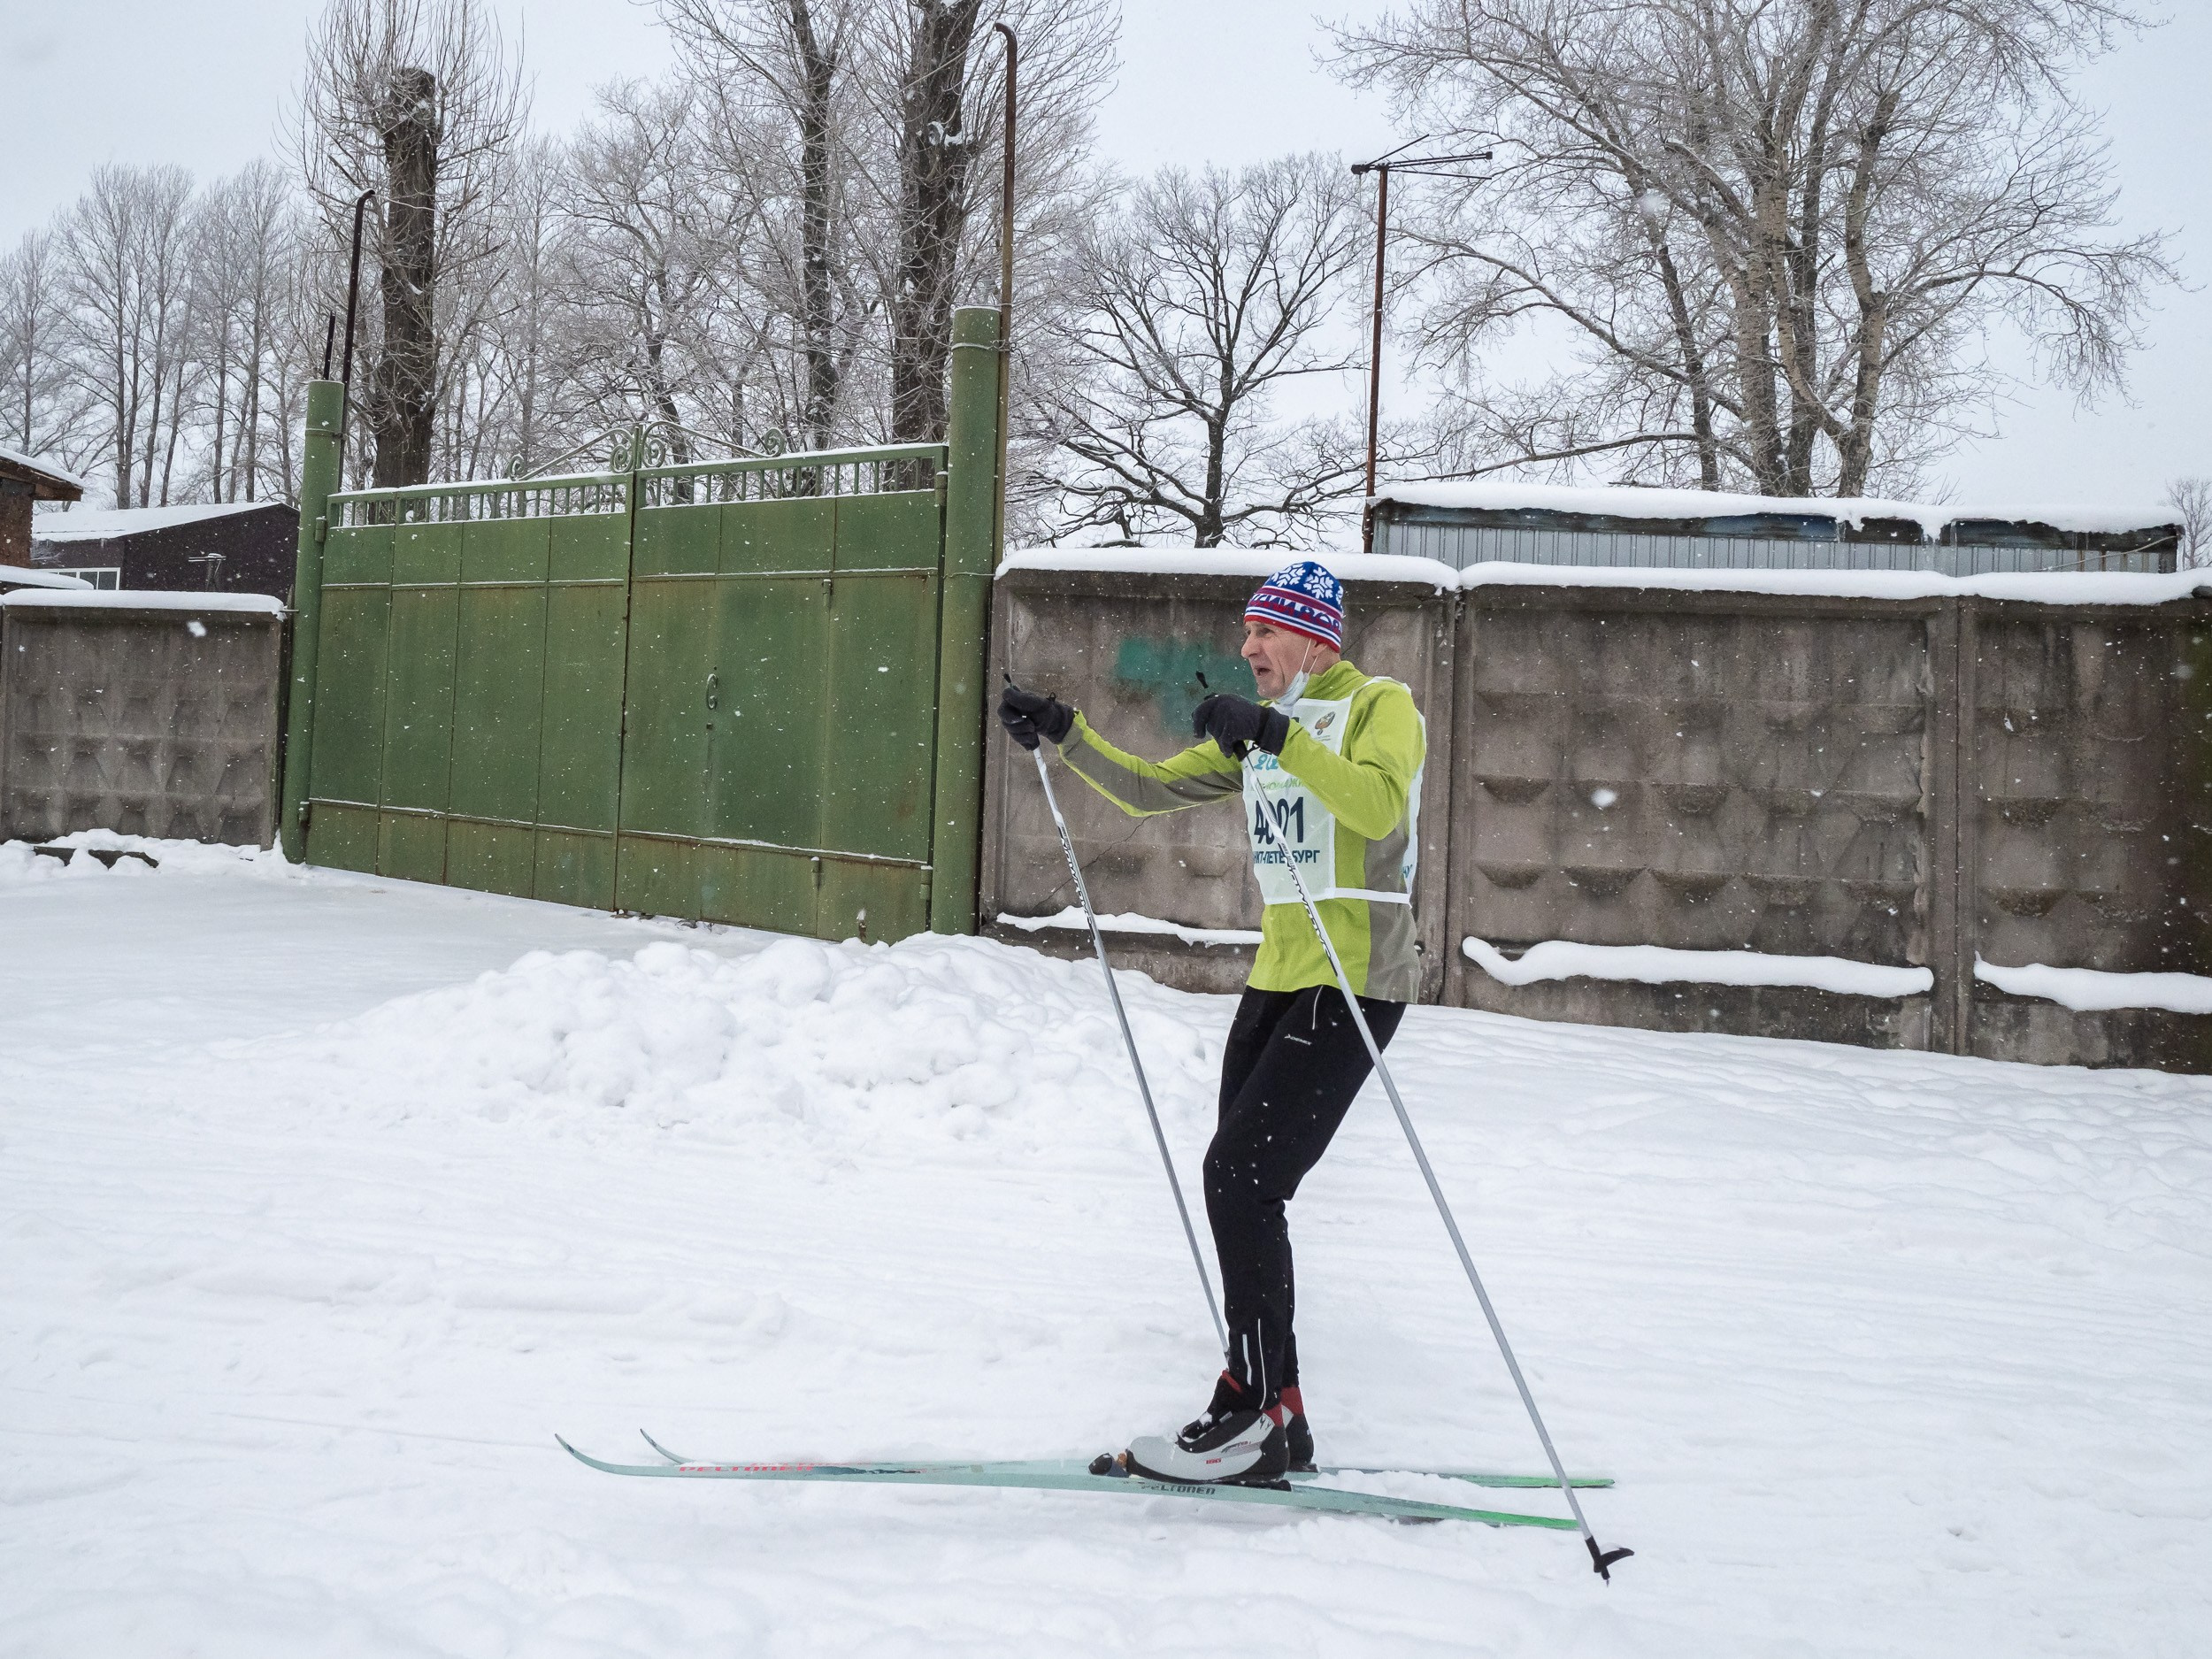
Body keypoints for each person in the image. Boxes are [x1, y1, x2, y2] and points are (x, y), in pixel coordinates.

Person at [998, 559, 1426, 1486]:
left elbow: (1376, 803)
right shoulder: (1257, 729)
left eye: (1263, 633)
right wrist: (1065, 735)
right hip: (1279, 978)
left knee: (1240, 1177)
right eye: (1246, 635)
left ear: (1314, 636)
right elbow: (1149, 790)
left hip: (1356, 976)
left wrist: (1274, 734)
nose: (1248, 650)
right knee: (1242, 1186)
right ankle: (1282, 1411)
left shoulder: (1378, 705)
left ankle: (1255, 1407)